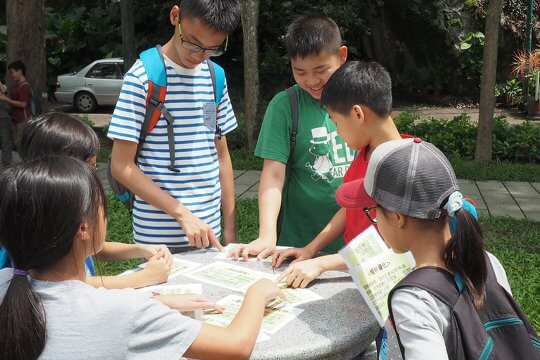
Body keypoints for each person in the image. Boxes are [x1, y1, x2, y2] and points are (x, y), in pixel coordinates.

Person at [0, 155, 285, 360]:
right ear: (84, 228)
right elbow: (234, 347)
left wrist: (154, 301)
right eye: (101, 206)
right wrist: (257, 293)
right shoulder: (123, 311)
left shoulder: (7, 282)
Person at [333, 138, 514, 359]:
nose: (375, 219)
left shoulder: (414, 301)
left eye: (373, 211)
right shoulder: (487, 261)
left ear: (397, 217)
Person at [108, 0, 240, 251]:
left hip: (209, 234)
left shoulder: (215, 78)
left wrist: (230, 229)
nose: (198, 56)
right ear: (175, 16)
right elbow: (120, 166)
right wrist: (182, 214)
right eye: (192, 43)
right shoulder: (142, 79)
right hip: (157, 238)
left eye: (211, 49)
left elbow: (220, 156)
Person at [266, 61, 405, 288]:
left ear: (358, 114)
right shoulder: (363, 156)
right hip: (359, 277)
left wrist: (323, 264)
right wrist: (310, 250)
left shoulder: (402, 169)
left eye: (337, 123)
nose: (338, 133)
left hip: (391, 285)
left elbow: (393, 249)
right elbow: (349, 210)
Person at [230, 13, 353, 261]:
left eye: (321, 70)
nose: (312, 81)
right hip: (298, 241)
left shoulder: (359, 99)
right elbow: (273, 175)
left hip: (355, 242)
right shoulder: (285, 106)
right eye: (301, 72)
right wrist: (267, 234)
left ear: (341, 56)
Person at [19, 112, 173, 290]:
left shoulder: (55, 203)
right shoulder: (34, 218)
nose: (94, 176)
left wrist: (140, 249)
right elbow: (63, 284)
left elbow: (96, 247)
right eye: (89, 167)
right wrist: (143, 278)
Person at [0, 60, 31, 153]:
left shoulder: (25, 86)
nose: (11, 75)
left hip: (22, 120)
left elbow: (23, 104)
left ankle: (28, 164)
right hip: (15, 118)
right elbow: (13, 100)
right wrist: (4, 96)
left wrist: (6, 100)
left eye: (12, 72)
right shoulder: (16, 86)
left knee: (23, 144)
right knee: (18, 144)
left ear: (20, 71)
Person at [0, 80, 12, 170]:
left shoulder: (2, 87)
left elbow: (5, 94)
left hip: (3, 116)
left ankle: (7, 163)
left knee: (5, 140)